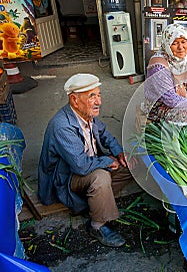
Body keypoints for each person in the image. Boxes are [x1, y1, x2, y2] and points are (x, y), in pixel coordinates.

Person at [38, 73, 140, 248]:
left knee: (131, 164)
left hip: (86, 169)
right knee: (100, 177)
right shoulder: (62, 125)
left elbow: (105, 134)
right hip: (66, 179)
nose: (99, 101)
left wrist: (119, 153)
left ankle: (96, 202)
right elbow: (81, 166)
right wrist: (106, 160)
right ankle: (96, 225)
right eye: (92, 96)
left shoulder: (85, 114)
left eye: (98, 95)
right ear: (74, 100)